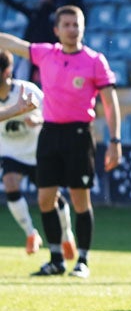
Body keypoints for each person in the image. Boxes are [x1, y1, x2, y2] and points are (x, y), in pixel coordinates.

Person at [0, 6, 122, 279]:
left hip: (79, 134)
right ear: (56, 30)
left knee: (80, 199)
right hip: (50, 132)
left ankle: (83, 260)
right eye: (66, 25)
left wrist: (115, 140)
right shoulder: (46, 54)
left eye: (76, 24)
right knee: (45, 199)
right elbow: (10, 43)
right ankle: (56, 258)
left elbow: (110, 103)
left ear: (83, 27)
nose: (72, 29)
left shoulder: (94, 60)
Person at [0, 50, 76, 258]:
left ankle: (67, 235)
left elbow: (53, 114)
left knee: (52, 198)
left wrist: (38, 121)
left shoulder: (27, 90)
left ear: (7, 71)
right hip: (11, 152)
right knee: (10, 183)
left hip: (37, 151)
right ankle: (30, 233)